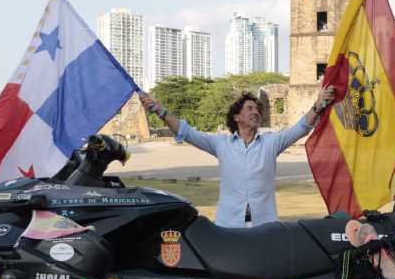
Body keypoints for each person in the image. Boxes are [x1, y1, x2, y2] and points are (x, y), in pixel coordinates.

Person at [140, 87, 335, 228]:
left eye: (257, 110)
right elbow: (187, 132)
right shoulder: (221, 144)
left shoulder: (271, 142)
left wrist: (319, 104)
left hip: (265, 226)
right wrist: (160, 110)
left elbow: (300, 128)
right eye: (250, 108)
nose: (256, 112)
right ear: (236, 117)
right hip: (228, 225)